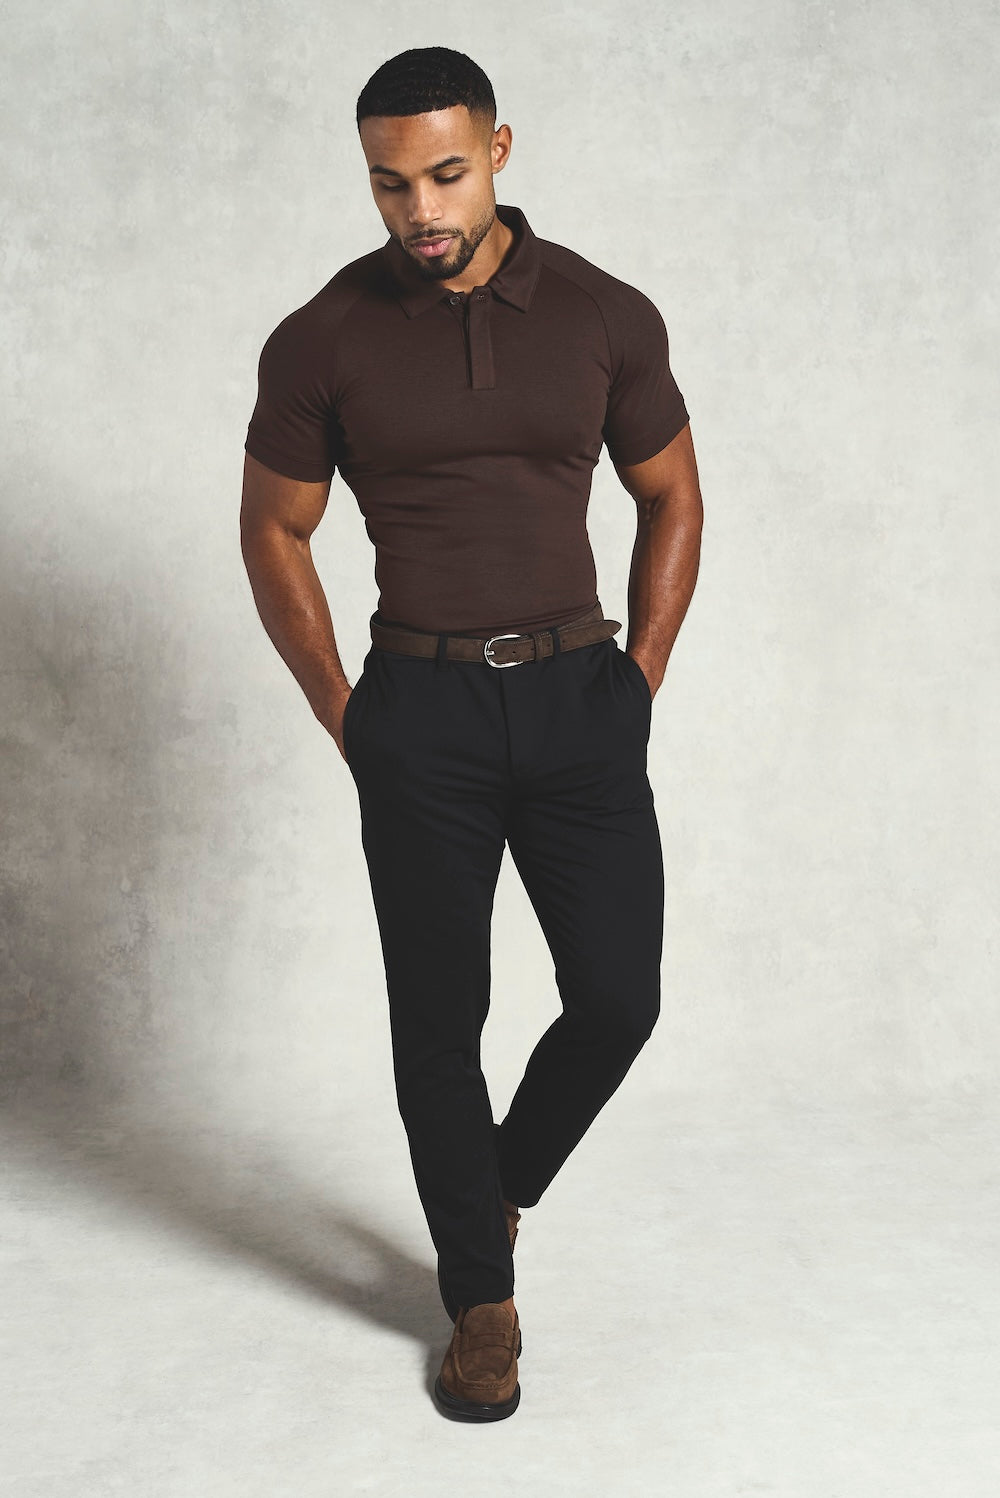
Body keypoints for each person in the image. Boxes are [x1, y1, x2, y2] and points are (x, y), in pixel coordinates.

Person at [239, 45, 703, 1422]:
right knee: (439, 1019)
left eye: (445, 174)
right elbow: (274, 529)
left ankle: (492, 1186)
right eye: (391, 185)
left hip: (576, 696)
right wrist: (346, 713)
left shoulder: (606, 314)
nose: (421, 211)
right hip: (421, 710)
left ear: (500, 149)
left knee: (619, 997)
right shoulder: (323, 336)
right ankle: (480, 1300)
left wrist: (639, 678)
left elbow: (673, 495)